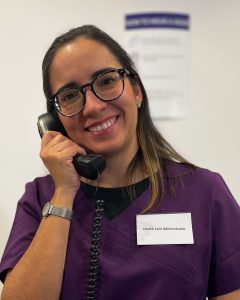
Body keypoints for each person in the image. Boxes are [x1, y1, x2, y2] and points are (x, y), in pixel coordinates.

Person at [0, 25, 240, 300]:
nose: (92, 106)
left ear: (136, 90)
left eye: (106, 81)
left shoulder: (204, 192)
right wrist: (64, 192)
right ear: (54, 121)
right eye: (69, 96)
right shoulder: (41, 198)